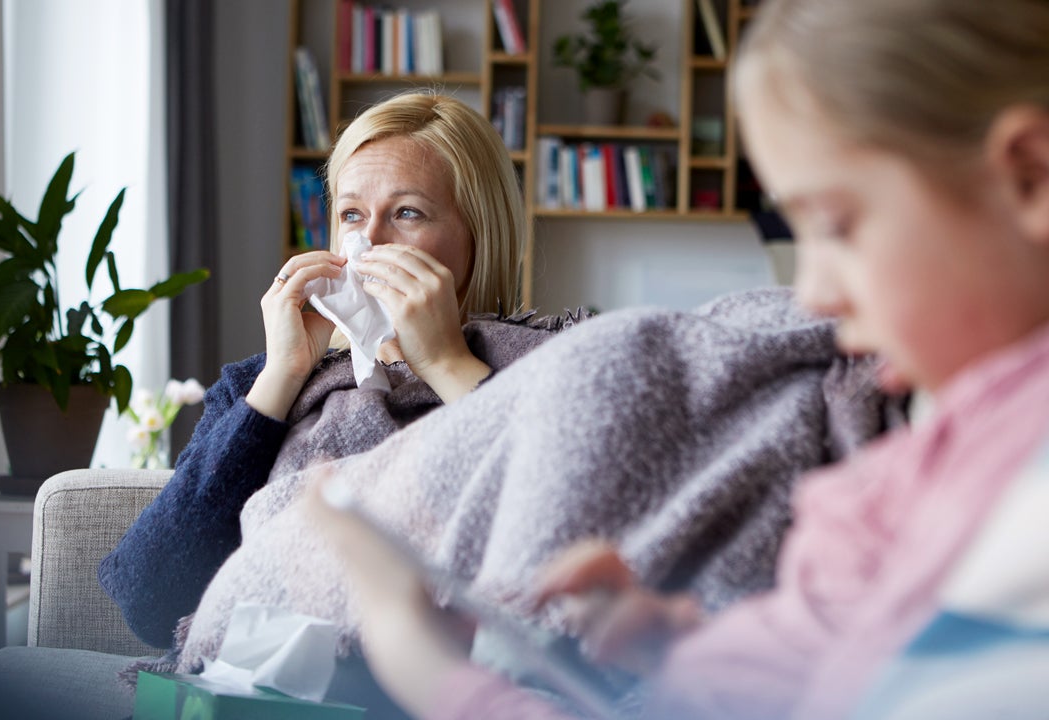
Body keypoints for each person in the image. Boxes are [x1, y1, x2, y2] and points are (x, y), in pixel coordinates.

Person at [308, 0, 1049, 717]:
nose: (812, 292)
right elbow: (847, 667)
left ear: (1031, 178)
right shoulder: (948, 448)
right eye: (350, 214)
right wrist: (680, 649)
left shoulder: (1021, 498)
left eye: (836, 226)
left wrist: (425, 667)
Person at [99, 90, 548, 650]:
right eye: (352, 215)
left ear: (478, 234)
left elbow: (567, 538)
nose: (371, 241)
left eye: (407, 212)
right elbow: (150, 600)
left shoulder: (545, 367)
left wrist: (444, 363)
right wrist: (283, 376)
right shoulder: (260, 386)